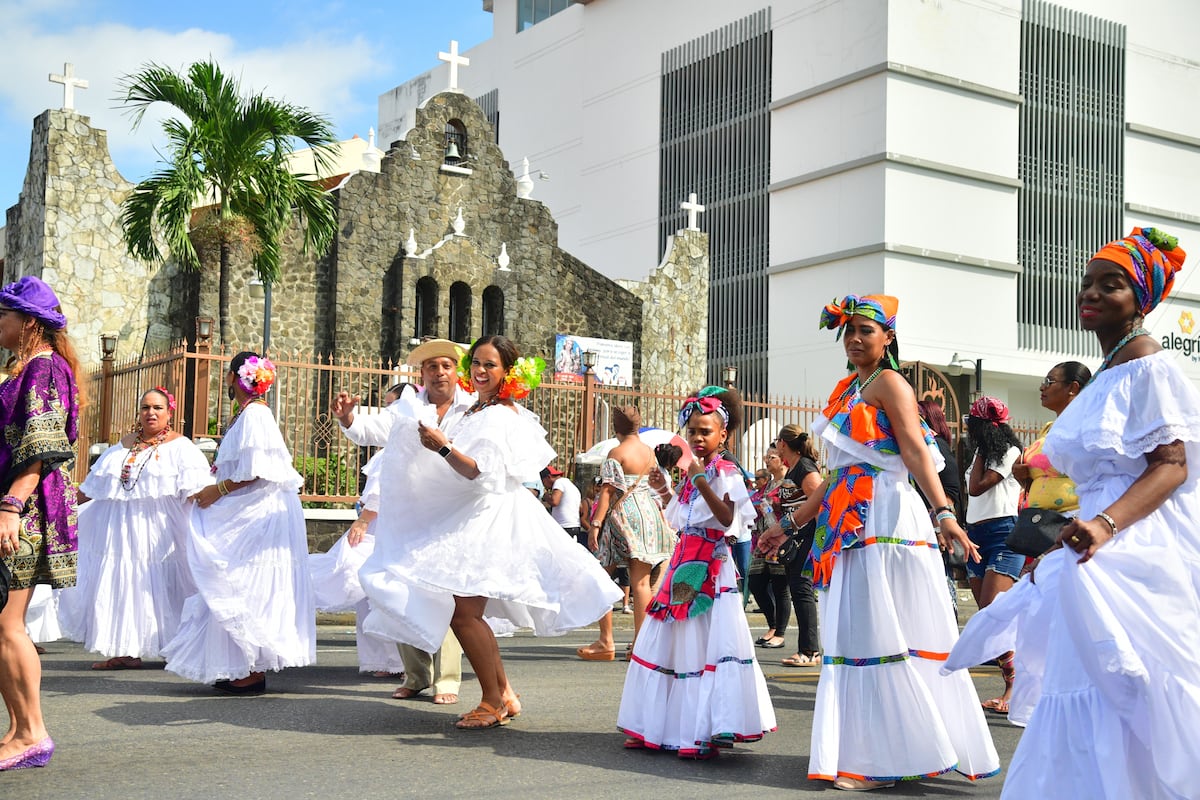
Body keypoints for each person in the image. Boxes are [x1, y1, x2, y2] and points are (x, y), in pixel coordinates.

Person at [759, 294, 998, 791]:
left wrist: (945, 512)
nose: (854, 338)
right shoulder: (850, 386)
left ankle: (881, 759)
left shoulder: (891, 383)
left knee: (879, 630)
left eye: (866, 330)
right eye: (848, 330)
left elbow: (913, 450)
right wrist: (789, 523)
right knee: (856, 632)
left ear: (888, 337)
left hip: (885, 515)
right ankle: (885, 750)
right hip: (848, 517)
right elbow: (833, 478)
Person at [995, 228, 1200, 797]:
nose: (1090, 293)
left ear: (1143, 299)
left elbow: (1172, 464)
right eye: (1087, 283)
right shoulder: (1107, 370)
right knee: (1081, 685)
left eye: (1111, 285)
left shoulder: (1149, 366)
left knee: (1128, 689)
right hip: (1090, 549)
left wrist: (1105, 526)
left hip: (1130, 546)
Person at [360, 335, 622, 729]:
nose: (480, 371)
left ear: (507, 373)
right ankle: (504, 694)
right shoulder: (479, 409)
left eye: (491, 365)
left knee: (465, 614)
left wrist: (442, 448)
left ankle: (492, 701)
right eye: (477, 364)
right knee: (465, 613)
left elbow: (479, 471)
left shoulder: (499, 414)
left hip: (488, 519)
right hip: (475, 515)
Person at [617, 386, 775, 759]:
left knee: (699, 646)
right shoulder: (695, 472)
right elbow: (683, 519)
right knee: (664, 641)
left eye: (706, 431)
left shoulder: (726, 471)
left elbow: (727, 519)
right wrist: (665, 490)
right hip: (683, 563)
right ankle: (652, 725)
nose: (698, 438)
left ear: (724, 435)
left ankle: (699, 730)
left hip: (711, 569)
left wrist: (701, 480)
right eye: (693, 431)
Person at [162, 352, 313, 695]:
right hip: (251, 508)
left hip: (259, 513)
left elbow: (256, 471)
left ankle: (252, 669)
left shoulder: (255, 416)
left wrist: (218, 490)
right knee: (236, 581)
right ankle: (241, 663)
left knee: (244, 582)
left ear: (233, 378)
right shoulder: (248, 415)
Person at [332, 341, 474, 705]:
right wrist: (348, 417)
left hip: (453, 514)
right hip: (409, 515)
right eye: (431, 367)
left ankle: (446, 679)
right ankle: (416, 675)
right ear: (422, 374)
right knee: (400, 591)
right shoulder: (408, 407)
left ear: (456, 371)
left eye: (446, 365)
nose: (439, 372)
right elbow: (372, 429)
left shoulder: (473, 409)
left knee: (445, 595)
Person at [61, 388, 210, 670]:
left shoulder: (182, 448)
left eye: (157, 407)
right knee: (126, 587)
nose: (150, 413)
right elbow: (94, 488)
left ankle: (177, 647)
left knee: (167, 587)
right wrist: (60, 505)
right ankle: (126, 650)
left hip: (162, 535)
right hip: (121, 534)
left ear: (169, 412)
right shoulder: (122, 446)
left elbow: (197, 492)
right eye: (145, 407)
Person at [0, 275, 81, 770]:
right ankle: (18, 729)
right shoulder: (24, 367)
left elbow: (42, 447)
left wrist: (10, 506)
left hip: (23, 511)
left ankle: (32, 733)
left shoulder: (45, 369)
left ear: (28, 322)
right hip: (12, 505)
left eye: (4, 315)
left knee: (8, 625)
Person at [308, 384, 409, 679]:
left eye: (393, 406)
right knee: (371, 595)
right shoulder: (387, 451)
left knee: (378, 592)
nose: (388, 413)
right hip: (383, 528)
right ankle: (387, 660)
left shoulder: (397, 452)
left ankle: (397, 660)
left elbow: (380, 491)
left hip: (384, 530)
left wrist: (363, 520)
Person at [576, 406, 673, 661]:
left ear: (616, 428)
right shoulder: (648, 451)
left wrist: (595, 524)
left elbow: (607, 492)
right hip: (648, 513)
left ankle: (606, 641)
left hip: (623, 514)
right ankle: (641, 645)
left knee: (601, 578)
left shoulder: (616, 452)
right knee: (641, 583)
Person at [963, 396, 1025, 714]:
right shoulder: (981, 452)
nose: (967, 430)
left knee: (994, 613)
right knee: (991, 619)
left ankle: (1015, 689)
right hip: (976, 535)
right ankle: (1017, 685)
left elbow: (976, 488)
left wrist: (983, 451)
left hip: (1003, 534)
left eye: (972, 424)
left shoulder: (1009, 453)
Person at [773, 425, 823, 667]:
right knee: (798, 589)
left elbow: (820, 503)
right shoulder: (794, 468)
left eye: (776, 442)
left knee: (802, 590)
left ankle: (810, 651)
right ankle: (808, 649)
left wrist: (820, 544)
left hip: (809, 537)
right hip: (797, 537)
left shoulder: (804, 467)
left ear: (783, 443)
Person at [746, 450, 789, 651]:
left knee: (780, 587)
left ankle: (779, 632)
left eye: (771, 457)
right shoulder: (768, 485)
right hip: (762, 539)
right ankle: (772, 625)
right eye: (766, 457)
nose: (767, 460)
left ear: (782, 460)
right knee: (756, 582)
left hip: (780, 540)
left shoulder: (788, 482)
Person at [541, 465, 583, 546]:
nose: (544, 485)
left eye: (543, 482)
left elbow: (554, 501)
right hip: (574, 526)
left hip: (564, 527)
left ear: (548, 477)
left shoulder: (559, 482)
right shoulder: (572, 486)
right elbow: (581, 509)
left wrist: (545, 494)